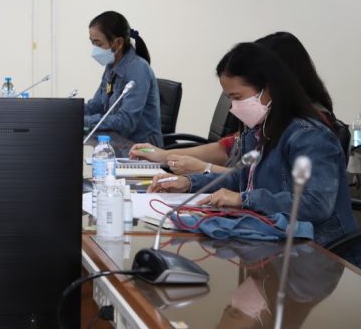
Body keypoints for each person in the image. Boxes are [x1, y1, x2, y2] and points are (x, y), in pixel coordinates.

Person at [149, 42, 358, 249]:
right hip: (272, 241)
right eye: (230, 99)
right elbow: (242, 179)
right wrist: (189, 182)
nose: (233, 107)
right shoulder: (258, 130)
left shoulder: (310, 136)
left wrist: (244, 200)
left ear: (268, 89)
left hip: (319, 252)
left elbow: (316, 205)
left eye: (237, 97)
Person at [132, 31, 344, 175]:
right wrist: (164, 156)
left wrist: (205, 169)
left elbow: (274, 190)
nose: (234, 106)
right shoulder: (266, 119)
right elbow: (229, 149)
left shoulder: (310, 129)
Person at [83, 11, 162, 147]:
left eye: (98, 44)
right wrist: (71, 112)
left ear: (118, 43)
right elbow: (96, 106)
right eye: (92, 43)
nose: (94, 49)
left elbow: (126, 122)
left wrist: (85, 121)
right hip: (117, 142)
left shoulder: (138, 69)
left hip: (143, 149)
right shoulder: (111, 67)